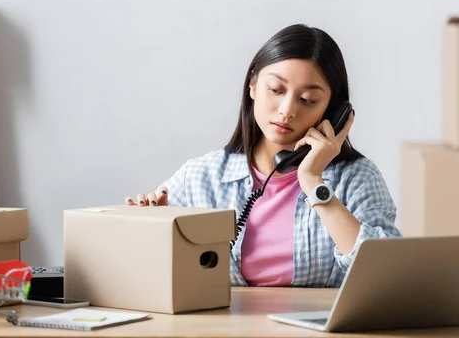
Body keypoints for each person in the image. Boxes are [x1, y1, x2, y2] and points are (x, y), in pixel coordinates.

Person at [125, 24, 402, 288]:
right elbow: (141, 271)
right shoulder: (200, 178)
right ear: (253, 86)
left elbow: (389, 274)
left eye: (307, 99)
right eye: (276, 90)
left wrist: (313, 182)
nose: (287, 110)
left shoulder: (358, 178)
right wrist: (151, 227)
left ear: (332, 111)